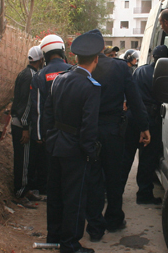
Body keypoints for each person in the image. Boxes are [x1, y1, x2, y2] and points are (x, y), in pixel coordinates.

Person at [44, 30, 104, 253]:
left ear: (76, 58)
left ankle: (54, 237)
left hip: (56, 145)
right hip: (75, 150)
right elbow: (89, 127)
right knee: (75, 199)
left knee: (56, 195)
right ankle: (70, 245)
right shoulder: (90, 86)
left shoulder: (59, 79)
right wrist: (90, 153)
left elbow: (49, 115)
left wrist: (51, 139)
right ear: (96, 59)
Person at [88, 31, 151, 235]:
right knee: (114, 175)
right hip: (113, 130)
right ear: (103, 46)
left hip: (89, 129)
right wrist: (144, 126)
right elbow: (134, 99)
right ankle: (114, 219)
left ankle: (94, 224)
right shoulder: (120, 68)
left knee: (93, 176)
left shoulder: (82, 69)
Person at [122, 45, 168, 205]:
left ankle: (116, 190)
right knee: (147, 158)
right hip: (150, 118)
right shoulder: (164, 75)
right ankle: (144, 194)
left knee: (126, 156)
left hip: (133, 116)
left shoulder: (140, 70)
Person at [29, 34, 72, 195]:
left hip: (51, 133)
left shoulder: (41, 76)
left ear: (44, 53)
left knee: (52, 168)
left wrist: (39, 135)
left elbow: (38, 108)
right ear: (62, 50)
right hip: (72, 131)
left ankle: (51, 196)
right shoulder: (73, 70)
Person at [11, 46, 44, 209]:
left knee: (25, 159)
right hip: (21, 124)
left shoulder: (23, 73)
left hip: (19, 122)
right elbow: (26, 103)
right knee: (23, 161)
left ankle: (26, 189)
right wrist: (25, 127)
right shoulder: (31, 76)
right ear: (41, 60)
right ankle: (20, 193)